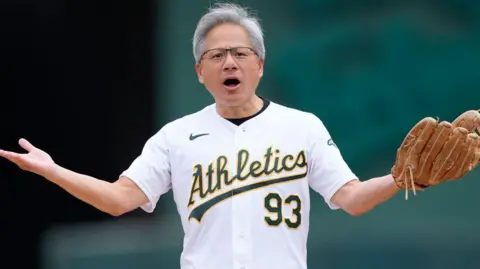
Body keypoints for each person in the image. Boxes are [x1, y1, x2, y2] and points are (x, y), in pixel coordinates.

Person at [1, 3, 478, 269]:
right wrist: (53, 170)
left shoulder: (303, 126)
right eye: (216, 55)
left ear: (260, 64)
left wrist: (403, 178)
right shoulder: (176, 136)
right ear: (200, 72)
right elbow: (118, 199)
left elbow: (350, 198)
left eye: (240, 52)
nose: (229, 62)